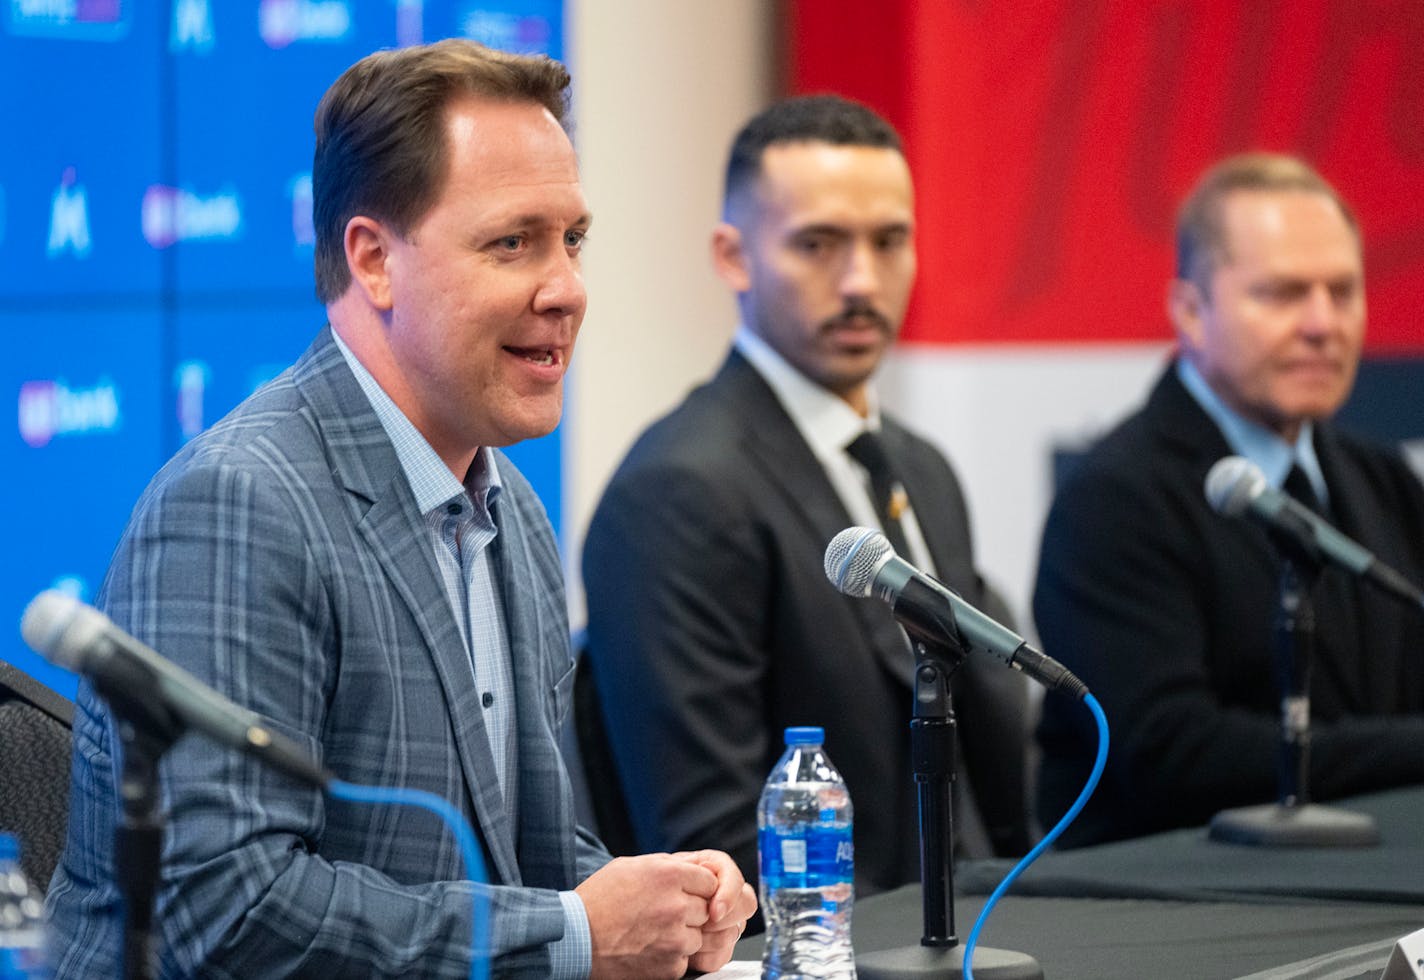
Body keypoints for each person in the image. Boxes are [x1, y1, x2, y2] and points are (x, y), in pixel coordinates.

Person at [44, 39, 754, 978]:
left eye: (572, 239)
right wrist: (579, 935)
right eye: (513, 242)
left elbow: (517, 870)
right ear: (374, 261)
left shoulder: (515, 514)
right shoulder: (239, 504)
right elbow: (222, 907)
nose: (568, 289)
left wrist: (651, 905)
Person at [581, 94, 1031, 905]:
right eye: (817, 244)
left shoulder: (922, 470)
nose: (862, 280)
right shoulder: (680, 490)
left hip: (983, 920)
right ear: (733, 256)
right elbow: (711, 843)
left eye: (890, 241)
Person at [1034, 152, 1424, 847]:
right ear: (1190, 309)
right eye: (1282, 293)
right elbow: (1171, 752)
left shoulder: (1383, 477)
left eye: (1343, 291)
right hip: (1172, 912)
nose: (1322, 324)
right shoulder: (1115, 497)